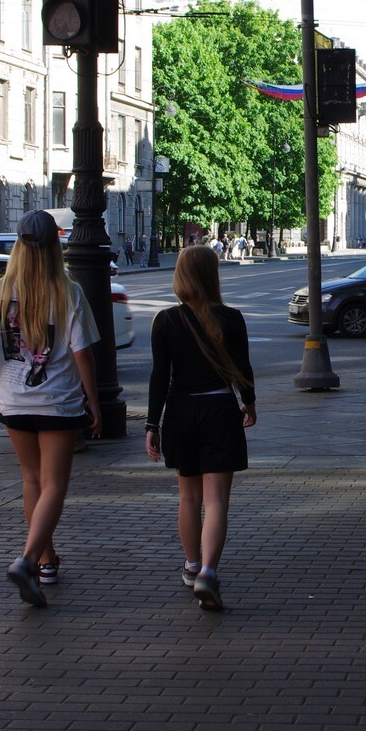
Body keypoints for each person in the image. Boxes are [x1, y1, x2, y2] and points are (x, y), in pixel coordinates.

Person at [0, 210, 102, 608]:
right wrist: (94, 401)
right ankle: (28, 559)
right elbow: (83, 353)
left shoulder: (0, 291)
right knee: (54, 485)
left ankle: (47, 560)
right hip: (57, 402)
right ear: (55, 246)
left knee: (31, 480)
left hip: (12, 401)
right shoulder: (67, 291)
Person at [144, 245, 256, 611]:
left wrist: (151, 424)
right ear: (213, 275)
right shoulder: (232, 318)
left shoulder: (165, 320)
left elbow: (159, 378)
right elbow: (244, 369)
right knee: (217, 500)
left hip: (179, 412)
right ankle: (209, 570)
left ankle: (192, 566)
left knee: (188, 497)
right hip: (218, 409)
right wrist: (249, 403)